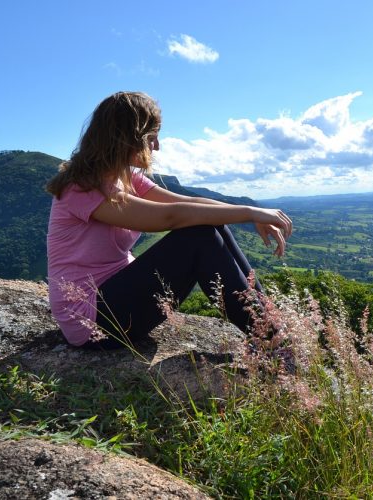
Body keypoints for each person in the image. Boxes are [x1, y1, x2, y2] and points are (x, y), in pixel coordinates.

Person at [46, 91, 292, 349]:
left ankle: (271, 328)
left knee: (211, 225)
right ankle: (274, 344)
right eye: (151, 138)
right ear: (127, 138)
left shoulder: (125, 177)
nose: (157, 146)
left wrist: (248, 213)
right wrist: (252, 214)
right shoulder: (81, 187)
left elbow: (187, 203)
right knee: (200, 236)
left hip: (117, 297)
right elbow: (171, 215)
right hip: (90, 319)